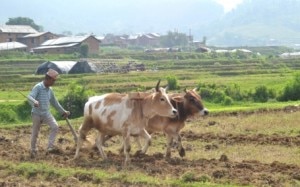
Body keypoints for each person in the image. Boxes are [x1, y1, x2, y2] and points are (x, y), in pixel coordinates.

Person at [28, 68, 70, 158]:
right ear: (48, 79)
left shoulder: (50, 90)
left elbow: (55, 103)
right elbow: (29, 96)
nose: (54, 82)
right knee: (35, 132)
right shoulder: (38, 87)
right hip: (36, 113)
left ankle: (50, 147)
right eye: (53, 80)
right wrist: (34, 102)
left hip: (46, 113)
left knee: (55, 126)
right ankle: (33, 150)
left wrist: (63, 111)